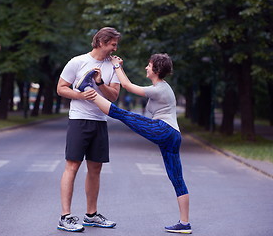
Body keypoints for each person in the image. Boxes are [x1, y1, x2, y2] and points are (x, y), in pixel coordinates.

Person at [79, 53, 192, 234]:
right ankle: (184, 223)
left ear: (156, 69)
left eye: (149, 65)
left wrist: (117, 66)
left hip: (163, 130)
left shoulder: (160, 89)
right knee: (177, 178)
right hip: (173, 135)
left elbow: (127, 86)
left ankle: (87, 90)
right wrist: (102, 82)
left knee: (122, 114)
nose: (146, 68)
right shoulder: (161, 87)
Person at [56, 27, 121, 232]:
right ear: (101, 42)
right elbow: (61, 88)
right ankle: (65, 217)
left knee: (95, 168)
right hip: (79, 119)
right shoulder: (77, 62)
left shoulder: (113, 66)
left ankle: (91, 215)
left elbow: (114, 96)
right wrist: (80, 95)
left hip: (100, 120)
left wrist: (100, 83)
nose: (115, 48)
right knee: (72, 166)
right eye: (112, 44)